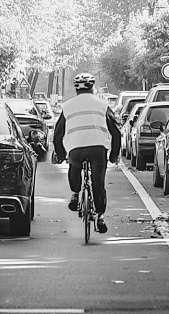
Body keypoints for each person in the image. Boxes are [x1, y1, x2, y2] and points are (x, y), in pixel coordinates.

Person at [53, 73, 121, 234]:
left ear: (76, 89)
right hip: (98, 149)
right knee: (98, 184)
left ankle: (76, 194)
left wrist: (61, 154)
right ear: (93, 87)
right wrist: (114, 155)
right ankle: (100, 217)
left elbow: (57, 133)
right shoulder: (102, 105)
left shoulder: (67, 106)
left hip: (75, 148)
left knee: (74, 168)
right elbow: (116, 131)